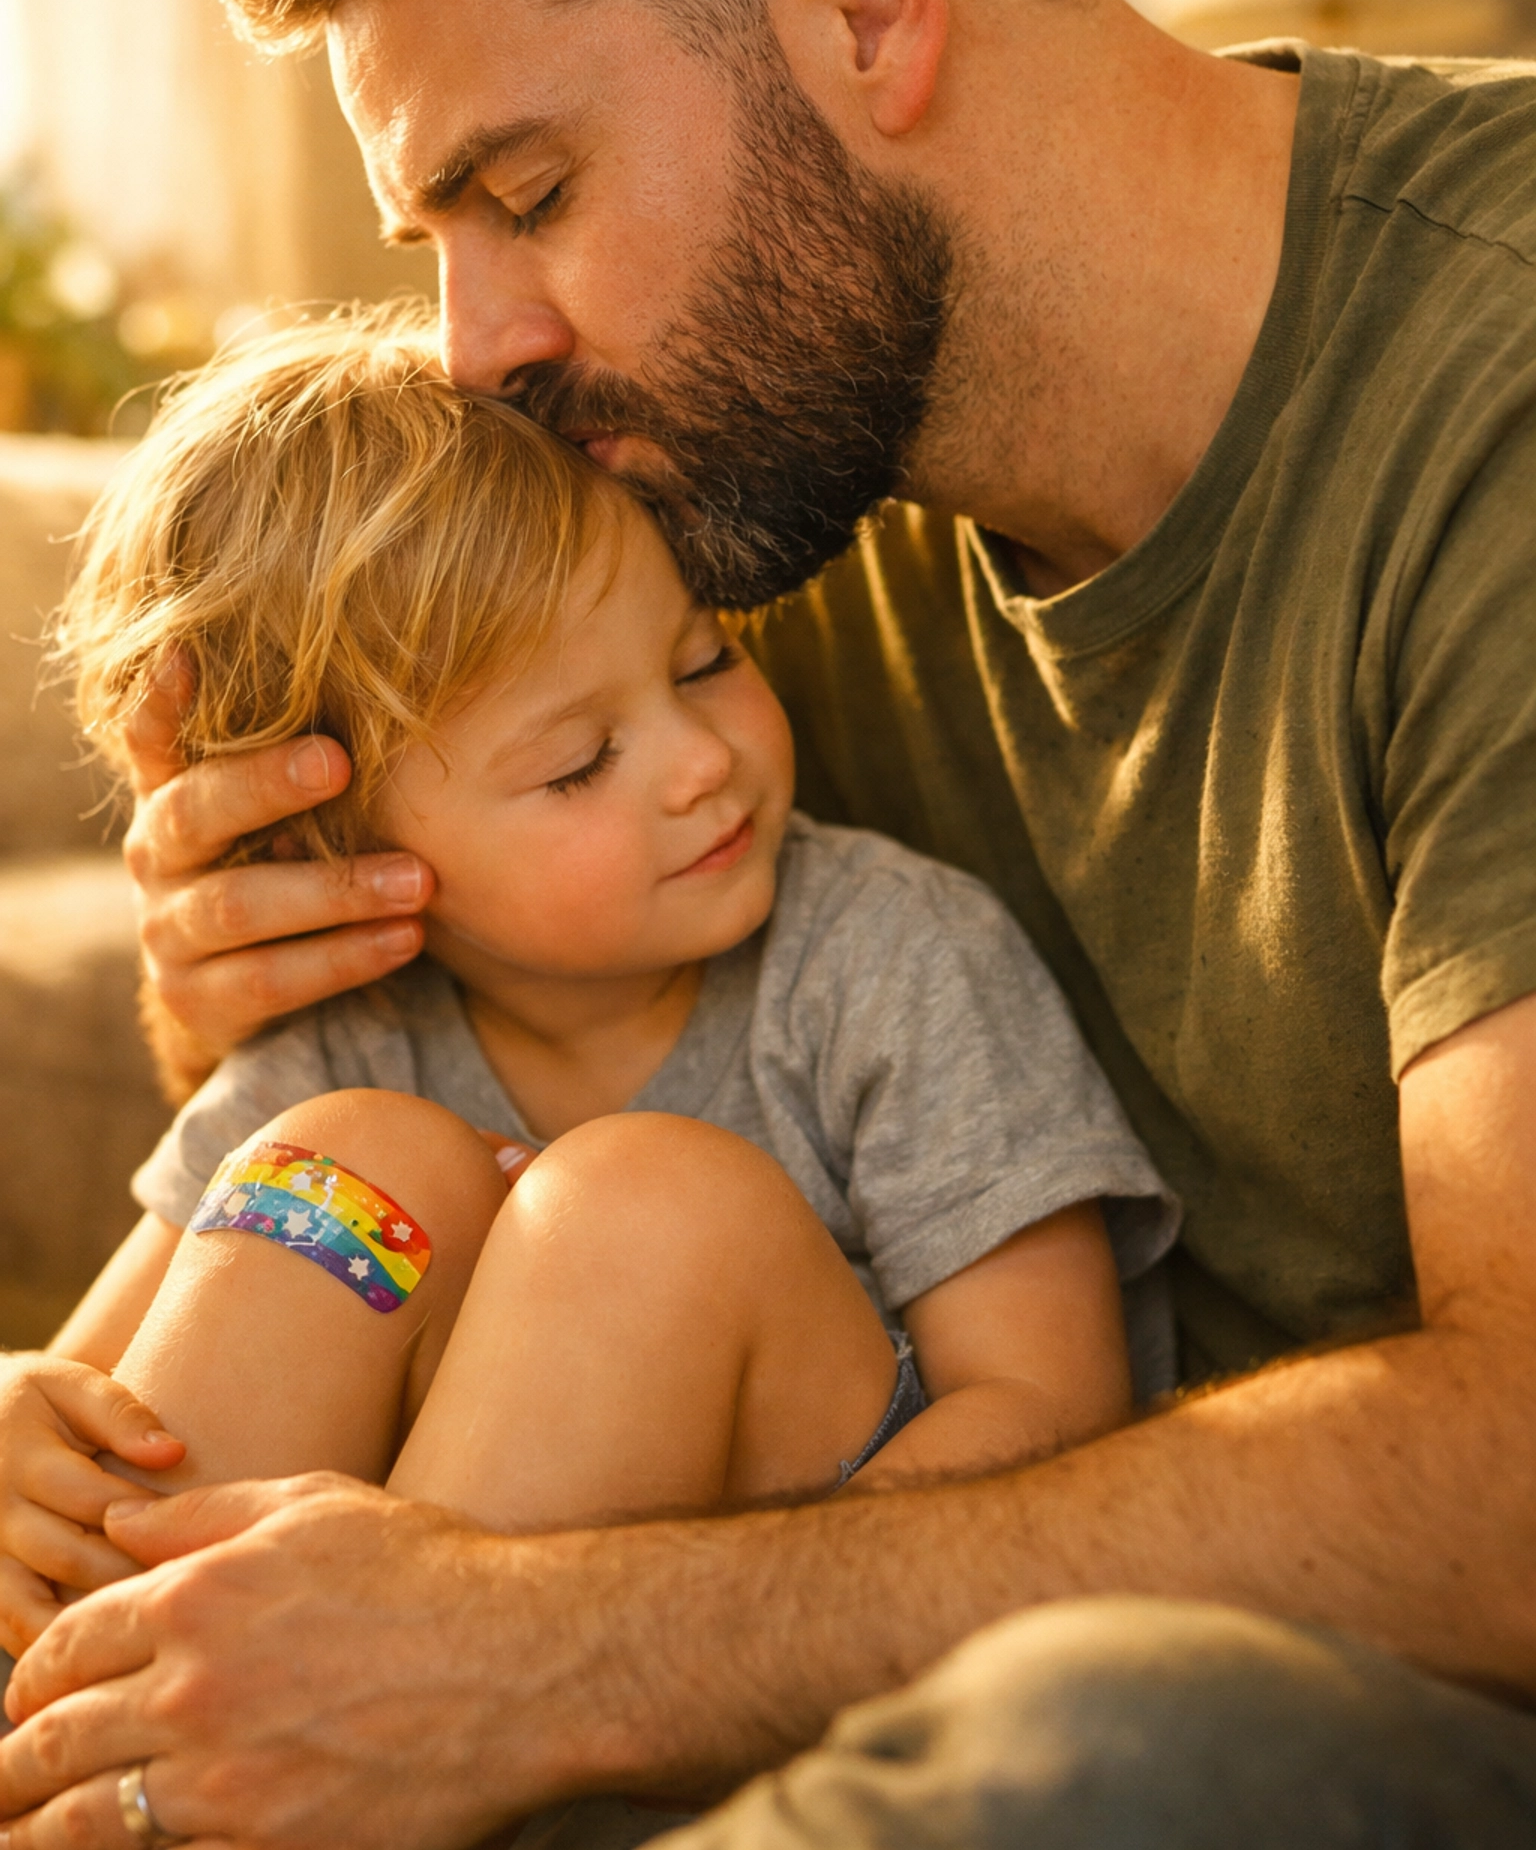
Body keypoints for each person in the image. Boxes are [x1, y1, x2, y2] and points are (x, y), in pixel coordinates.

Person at [2, 0, 1536, 1849]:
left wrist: (529, 1654)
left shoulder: (1486, 387)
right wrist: (278, 977)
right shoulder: (730, 492)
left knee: (1124, 1749)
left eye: (524, 189)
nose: (474, 345)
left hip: (1350, 1695)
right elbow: (426, 1075)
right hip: (854, 1642)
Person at [0, 312, 1172, 1668]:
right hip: (321, 1710)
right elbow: (95, 1392)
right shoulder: (342, 1051)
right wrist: (28, 1424)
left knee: (634, 1211)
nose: (698, 762)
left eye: (705, 661)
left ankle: (403, 1715)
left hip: (782, 1652)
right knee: (339, 1165)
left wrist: (689, 1627)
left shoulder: (892, 959)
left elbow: (1054, 1412)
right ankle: (105, 1750)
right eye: (578, 762)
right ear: (352, 855)